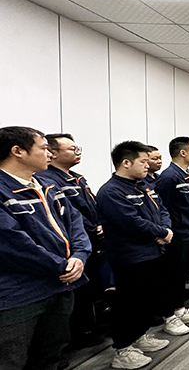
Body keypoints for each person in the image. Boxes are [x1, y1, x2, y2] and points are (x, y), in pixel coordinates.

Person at [0, 126, 91, 370]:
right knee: (11, 360)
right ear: (17, 151)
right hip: (19, 295)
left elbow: (75, 222)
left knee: (52, 355)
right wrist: (62, 265)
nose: (49, 154)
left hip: (60, 285)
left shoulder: (46, 185)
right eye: (43, 148)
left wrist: (80, 256)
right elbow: (11, 243)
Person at [96, 141, 173, 369]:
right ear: (126, 163)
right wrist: (160, 232)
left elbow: (162, 210)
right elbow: (131, 222)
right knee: (128, 303)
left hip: (152, 252)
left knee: (146, 300)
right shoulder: (111, 191)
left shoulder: (142, 186)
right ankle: (123, 349)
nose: (147, 165)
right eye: (143, 161)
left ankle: (139, 336)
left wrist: (166, 230)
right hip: (129, 256)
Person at [36, 133, 108, 343]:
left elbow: (90, 206)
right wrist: (92, 228)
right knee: (78, 292)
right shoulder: (48, 180)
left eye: (78, 148)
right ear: (53, 153)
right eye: (71, 149)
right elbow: (68, 214)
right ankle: (81, 334)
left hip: (89, 242)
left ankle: (90, 327)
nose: (77, 152)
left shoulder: (76, 177)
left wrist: (99, 225)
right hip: (74, 245)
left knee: (93, 287)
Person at [154, 137, 189, 332]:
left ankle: (180, 309)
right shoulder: (169, 177)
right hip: (177, 236)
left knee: (182, 275)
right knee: (173, 277)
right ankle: (171, 315)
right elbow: (164, 208)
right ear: (183, 153)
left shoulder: (186, 175)